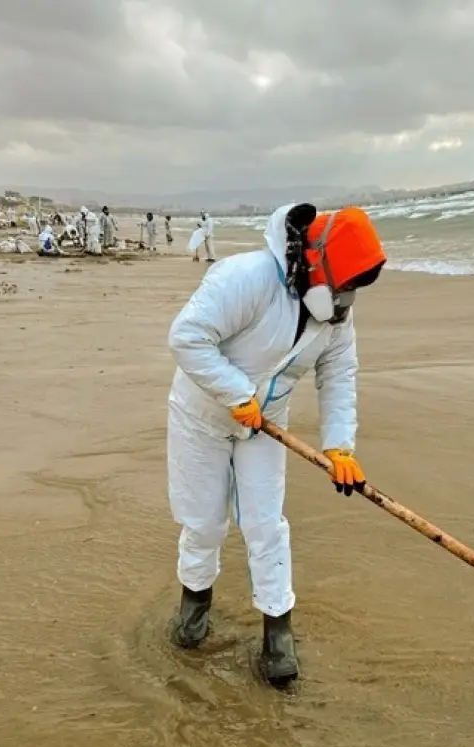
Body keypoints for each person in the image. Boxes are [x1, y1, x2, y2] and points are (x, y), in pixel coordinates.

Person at [165, 202, 386, 684]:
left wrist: (339, 446)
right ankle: (194, 606)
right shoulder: (246, 278)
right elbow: (187, 338)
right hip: (202, 416)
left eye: (356, 286)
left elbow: (339, 375)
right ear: (316, 258)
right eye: (345, 282)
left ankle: (277, 631)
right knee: (203, 523)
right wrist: (234, 392)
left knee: (266, 525)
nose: (347, 296)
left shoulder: (337, 314)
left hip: (265, 424)